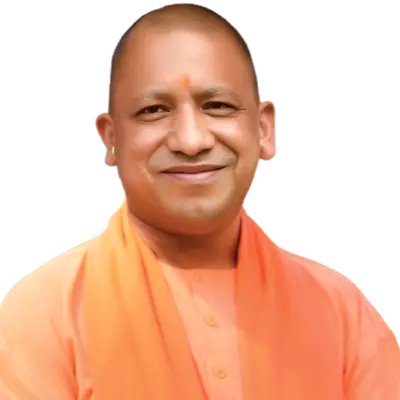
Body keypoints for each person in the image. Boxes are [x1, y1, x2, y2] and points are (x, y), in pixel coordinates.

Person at [1, 3, 399, 400]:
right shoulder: (44, 315)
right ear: (111, 139)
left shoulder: (340, 312)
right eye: (153, 110)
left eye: (218, 106)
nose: (190, 141)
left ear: (264, 129)